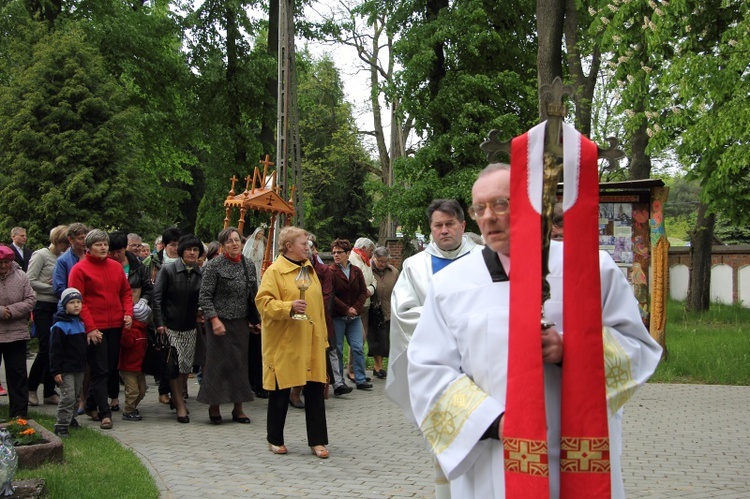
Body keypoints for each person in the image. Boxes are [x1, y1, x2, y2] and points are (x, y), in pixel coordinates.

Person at [406, 163, 662, 497]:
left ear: (532, 204)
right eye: (479, 208)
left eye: (500, 204)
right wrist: (495, 423)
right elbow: (427, 370)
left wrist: (569, 349)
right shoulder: (449, 285)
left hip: (575, 449)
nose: (488, 217)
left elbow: (636, 347)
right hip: (494, 457)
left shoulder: (591, 268)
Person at [386, 198, 480, 499]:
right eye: (438, 225)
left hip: (481, 368)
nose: (444, 230)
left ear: (463, 226)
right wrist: (446, 326)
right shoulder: (416, 266)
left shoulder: (485, 258)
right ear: (430, 229)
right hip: (439, 372)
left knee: (482, 439)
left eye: (450, 224)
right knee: (444, 439)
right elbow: (403, 312)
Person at [255, 227, 329, 458]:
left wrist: (324, 340)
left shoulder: (309, 269)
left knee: (315, 390)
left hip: (311, 341)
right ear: (289, 247)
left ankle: (317, 442)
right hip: (285, 342)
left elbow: (317, 306)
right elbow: (263, 303)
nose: (308, 247)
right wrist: (288, 307)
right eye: (303, 243)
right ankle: (274, 438)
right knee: (281, 390)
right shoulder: (274, 271)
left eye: (307, 244)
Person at [69, 229, 133, 430]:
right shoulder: (79, 270)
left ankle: (89, 404)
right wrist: (90, 328)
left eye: (105, 244)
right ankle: (105, 414)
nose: (103, 247)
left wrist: (128, 313)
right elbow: (78, 302)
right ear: (88, 248)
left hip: (115, 325)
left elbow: (125, 292)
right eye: (98, 244)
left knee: (109, 367)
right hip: (94, 327)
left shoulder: (115, 267)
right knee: (100, 370)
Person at [197, 227, 260, 424]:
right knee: (218, 364)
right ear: (223, 245)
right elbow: (205, 296)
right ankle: (214, 407)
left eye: (237, 241)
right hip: (218, 321)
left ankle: (238, 408)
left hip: (240, 321)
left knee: (240, 364)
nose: (234, 244)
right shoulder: (214, 265)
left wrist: (255, 320)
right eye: (230, 241)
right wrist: (213, 319)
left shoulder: (248, 265)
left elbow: (253, 294)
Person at [152, 234, 204, 424]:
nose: (192, 252)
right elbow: (156, 298)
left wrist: (201, 312)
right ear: (181, 251)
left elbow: (203, 298)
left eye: (196, 250)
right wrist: (160, 323)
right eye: (189, 249)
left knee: (185, 367)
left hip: (190, 326)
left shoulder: (200, 272)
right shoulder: (168, 269)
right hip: (170, 326)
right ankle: (180, 404)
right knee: (173, 365)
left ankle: (178, 396)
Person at [107, 231, 153, 412]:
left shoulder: (138, 266)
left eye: (118, 251)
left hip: (133, 317)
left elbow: (148, 289)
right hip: (112, 315)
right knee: (111, 359)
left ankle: (131, 394)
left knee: (130, 355)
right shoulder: (107, 265)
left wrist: (144, 301)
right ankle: (113, 396)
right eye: (112, 251)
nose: (115, 255)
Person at [27, 225, 69, 406]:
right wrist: (53, 287)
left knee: (56, 348)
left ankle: (49, 390)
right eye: (63, 243)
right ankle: (30, 387)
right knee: (45, 347)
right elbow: (30, 280)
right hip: (43, 305)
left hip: (58, 305)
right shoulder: (41, 255)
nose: (66, 247)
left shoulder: (64, 258)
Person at [329, 239, 370, 390]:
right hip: (338, 317)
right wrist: (346, 308)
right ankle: (339, 382)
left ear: (347, 253)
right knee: (338, 349)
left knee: (358, 347)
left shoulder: (356, 271)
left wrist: (355, 308)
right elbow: (331, 295)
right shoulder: (330, 271)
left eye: (339, 252)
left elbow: (363, 292)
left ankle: (360, 378)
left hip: (354, 317)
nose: (336, 255)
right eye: (333, 253)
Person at [0, 245, 36, 418]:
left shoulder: (21, 276)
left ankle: (19, 414)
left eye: (6, 262)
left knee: (18, 374)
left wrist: (11, 310)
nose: (3, 266)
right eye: (0, 262)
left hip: (16, 333)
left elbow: (31, 299)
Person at [49, 288, 87, 437]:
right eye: (72, 302)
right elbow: (55, 351)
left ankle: (72, 419)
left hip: (79, 367)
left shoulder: (81, 323)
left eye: (78, 302)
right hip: (65, 369)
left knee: (77, 395)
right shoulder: (59, 327)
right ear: (64, 305)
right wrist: (56, 371)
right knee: (68, 396)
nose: (76, 305)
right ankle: (61, 425)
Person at [347, 237, 376, 382]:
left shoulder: (366, 261)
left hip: (366, 303)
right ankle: (352, 370)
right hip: (356, 305)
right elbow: (357, 282)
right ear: (364, 249)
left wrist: (371, 288)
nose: (372, 254)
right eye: (371, 250)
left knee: (361, 340)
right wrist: (366, 289)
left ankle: (359, 371)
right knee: (358, 339)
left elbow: (373, 280)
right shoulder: (353, 260)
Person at [369, 247, 398, 379]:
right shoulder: (368, 270)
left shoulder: (393, 272)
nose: (382, 264)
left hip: (390, 309)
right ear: (374, 258)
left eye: (385, 261)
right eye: (380, 261)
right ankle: (378, 367)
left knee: (387, 338)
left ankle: (386, 366)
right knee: (376, 338)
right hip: (374, 309)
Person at [118, 304, 149, 421]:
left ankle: (132, 407)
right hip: (129, 367)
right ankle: (128, 410)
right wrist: (127, 330)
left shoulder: (143, 331)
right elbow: (126, 343)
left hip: (139, 367)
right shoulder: (132, 330)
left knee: (142, 390)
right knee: (133, 391)